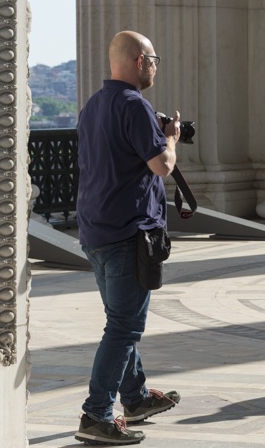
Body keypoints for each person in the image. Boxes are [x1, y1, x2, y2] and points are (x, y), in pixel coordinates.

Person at [74, 30, 183, 445]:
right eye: (154, 60)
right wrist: (170, 138)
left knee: (121, 320)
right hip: (127, 233)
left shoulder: (93, 106)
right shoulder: (135, 105)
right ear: (139, 61)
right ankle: (96, 415)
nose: (155, 67)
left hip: (95, 231)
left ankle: (135, 399)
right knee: (123, 328)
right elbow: (161, 167)